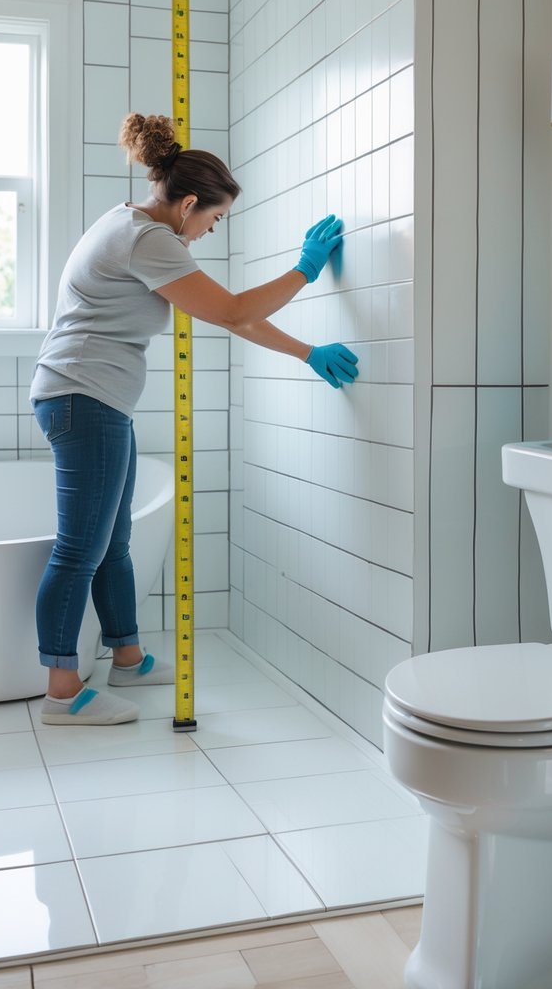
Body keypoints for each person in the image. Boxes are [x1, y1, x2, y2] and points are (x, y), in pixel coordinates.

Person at [29, 111, 358, 726]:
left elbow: (231, 315)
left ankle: (126, 656)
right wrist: (304, 271)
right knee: (80, 548)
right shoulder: (149, 239)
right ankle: (62, 693)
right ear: (186, 205)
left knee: (113, 543)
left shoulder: (134, 223)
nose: (211, 230)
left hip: (94, 399)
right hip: (82, 397)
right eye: (214, 218)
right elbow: (233, 311)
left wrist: (307, 352)